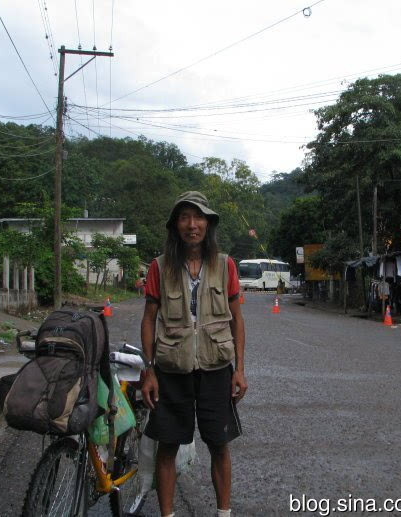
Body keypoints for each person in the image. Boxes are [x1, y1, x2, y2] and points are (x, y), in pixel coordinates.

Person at [141, 191, 248, 517]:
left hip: (216, 368)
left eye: (198, 217)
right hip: (172, 369)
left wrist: (240, 369)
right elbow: (148, 319)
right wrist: (149, 371)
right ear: (176, 226)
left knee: (219, 444)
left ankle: (223, 513)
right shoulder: (159, 268)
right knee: (167, 446)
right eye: (185, 218)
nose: (192, 225)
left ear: (208, 224)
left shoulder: (225, 265)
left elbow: (237, 319)